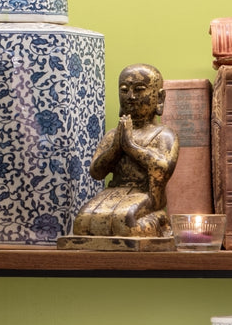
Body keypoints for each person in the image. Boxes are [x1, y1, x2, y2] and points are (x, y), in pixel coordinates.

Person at [70, 63, 179, 237]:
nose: (131, 96)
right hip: (114, 192)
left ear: (159, 98)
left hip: (145, 193)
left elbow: (163, 169)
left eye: (139, 89)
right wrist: (115, 147)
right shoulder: (114, 134)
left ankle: (159, 223)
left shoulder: (164, 134)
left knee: (125, 223)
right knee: (83, 222)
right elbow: (96, 172)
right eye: (124, 90)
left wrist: (131, 147)